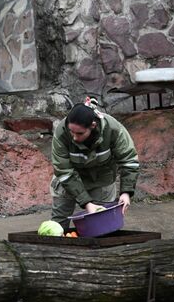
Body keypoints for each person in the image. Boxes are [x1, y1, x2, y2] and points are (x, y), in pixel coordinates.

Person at [50, 97, 140, 229]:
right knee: (58, 222)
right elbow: (63, 171)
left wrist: (126, 192)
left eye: (80, 133)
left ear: (93, 125)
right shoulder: (61, 132)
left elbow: (129, 161)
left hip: (102, 178)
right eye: (71, 132)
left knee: (104, 222)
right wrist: (87, 203)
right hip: (70, 180)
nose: (74, 137)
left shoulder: (113, 129)